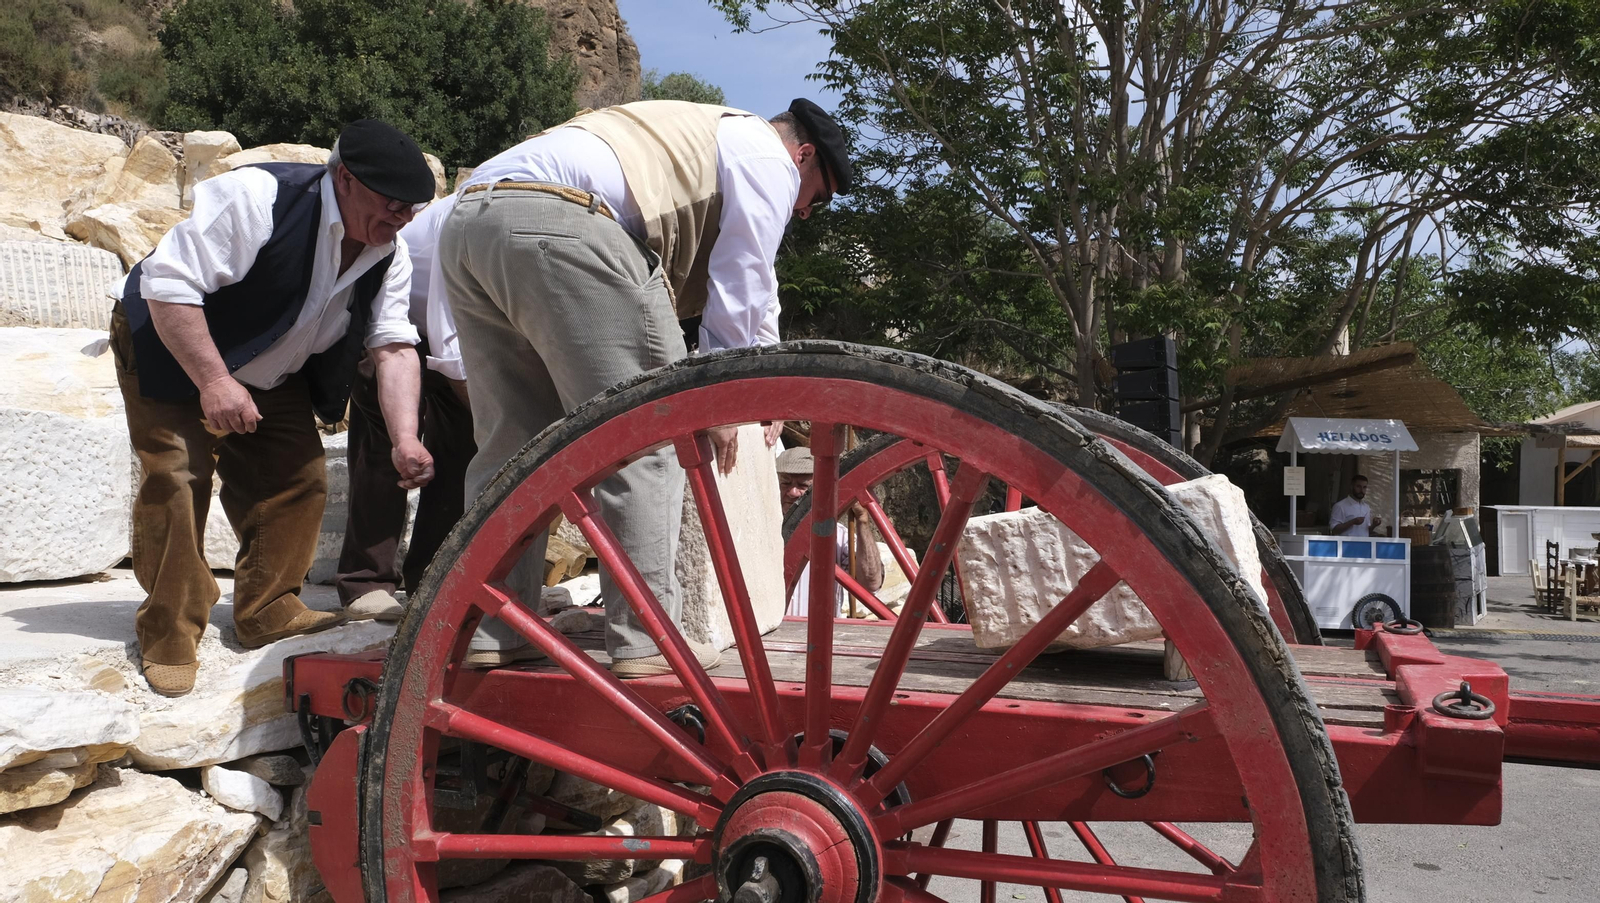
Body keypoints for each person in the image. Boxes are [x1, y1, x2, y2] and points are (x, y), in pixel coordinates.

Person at [433, 98, 850, 677]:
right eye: (818, 198)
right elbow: (741, 274)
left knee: (513, 446)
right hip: (565, 224)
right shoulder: (767, 154)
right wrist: (724, 398)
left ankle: (492, 628)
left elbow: (762, 288)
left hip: (471, 222)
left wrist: (767, 382)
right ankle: (647, 639)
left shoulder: (700, 131)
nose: (806, 213)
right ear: (803, 157)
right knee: (649, 438)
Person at [110, 119, 438, 697]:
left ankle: (267, 609)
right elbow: (169, 286)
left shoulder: (390, 250)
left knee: (297, 477)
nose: (401, 219)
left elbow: (392, 345)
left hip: (270, 363)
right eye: (392, 205)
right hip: (173, 340)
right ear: (345, 180)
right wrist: (214, 380)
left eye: (411, 209)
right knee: (179, 476)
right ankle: (169, 631)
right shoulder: (257, 198)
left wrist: (404, 438)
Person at [333, 199, 476, 624]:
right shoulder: (470, 226)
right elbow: (449, 351)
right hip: (388, 329)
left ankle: (434, 579)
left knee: (462, 449)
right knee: (385, 447)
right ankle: (366, 583)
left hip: (456, 335)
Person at [776, 447, 884, 617]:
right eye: (785, 483)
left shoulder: (839, 536)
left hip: (819, 640)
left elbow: (870, 583)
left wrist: (863, 521)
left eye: (803, 486)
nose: (792, 492)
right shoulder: (762, 533)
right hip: (770, 639)